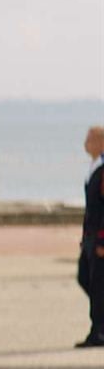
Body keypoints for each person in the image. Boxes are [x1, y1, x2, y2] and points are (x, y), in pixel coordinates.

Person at [76, 126, 104, 348]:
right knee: (85, 277)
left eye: (90, 139)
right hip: (90, 237)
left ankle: (98, 332)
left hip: (100, 239)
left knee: (97, 284)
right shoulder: (93, 167)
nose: (86, 143)